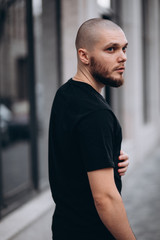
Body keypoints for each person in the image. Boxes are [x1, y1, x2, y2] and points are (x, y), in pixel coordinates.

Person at [49, 18, 136, 240]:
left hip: (64, 228)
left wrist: (106, 155)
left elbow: (71, 153)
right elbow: (105, 198)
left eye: (124, 48)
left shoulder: (66, 94)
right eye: (111, 49)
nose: (123, 57)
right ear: (84, 56)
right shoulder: (96, 114)